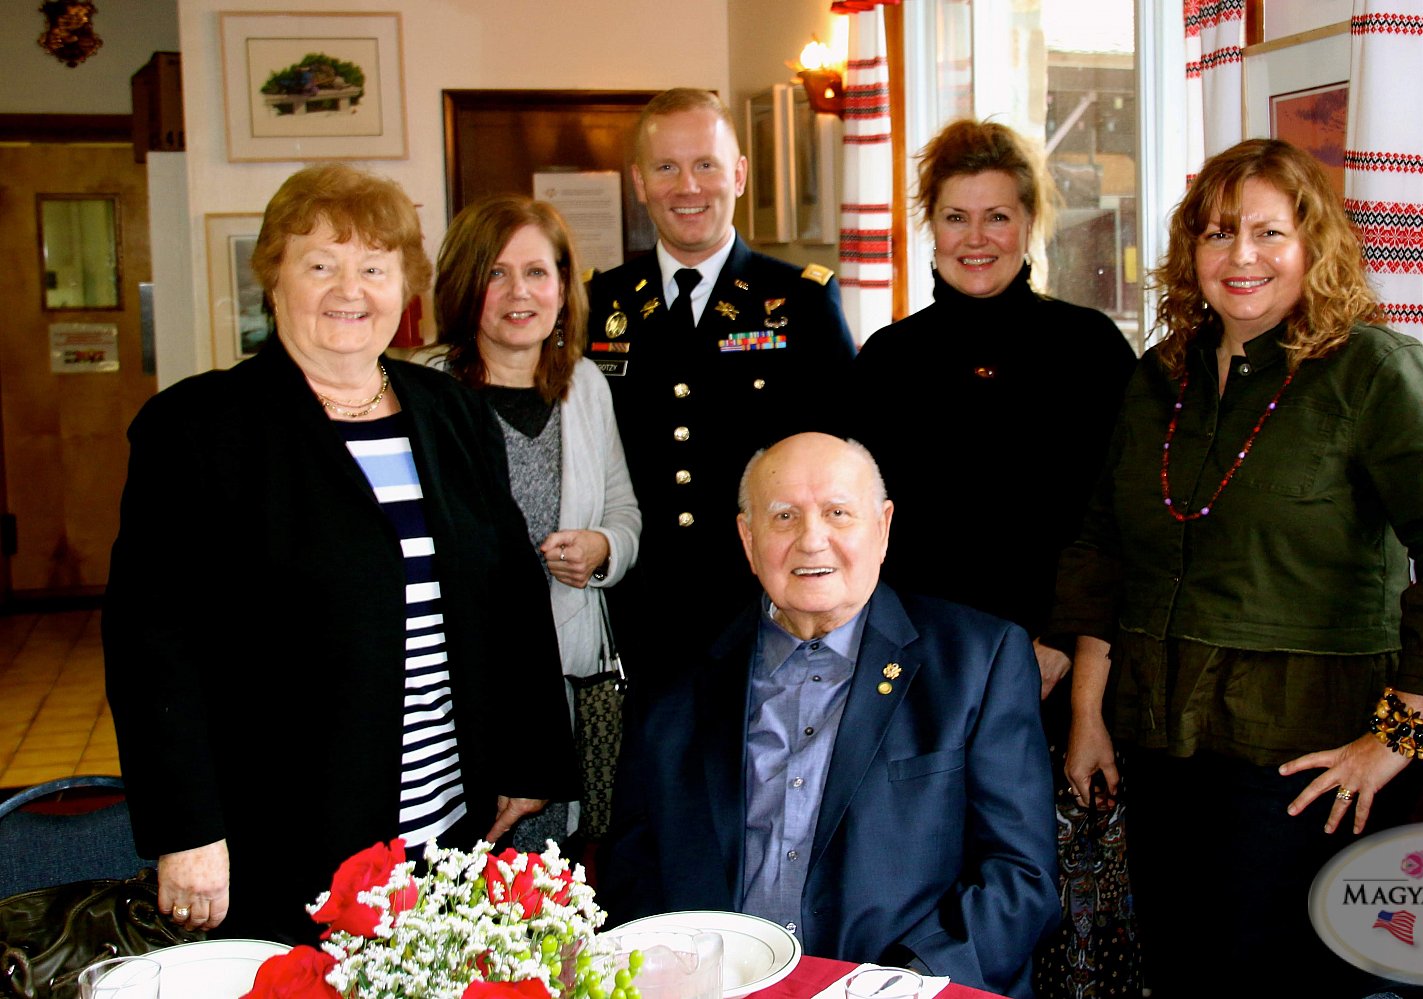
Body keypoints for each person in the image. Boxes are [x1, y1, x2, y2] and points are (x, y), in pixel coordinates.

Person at [1056, 139, 1423, 993]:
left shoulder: (1377, 371)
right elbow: (1106, 548)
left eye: (1268, 233)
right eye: (1218, 234)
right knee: (1180, 967)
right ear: (1191, 253)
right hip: (1161, 747)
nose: (1241, 256)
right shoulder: (1158, 379)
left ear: (1313, 245)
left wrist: (1395, 739)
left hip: (1305, 769)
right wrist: (1087, 713)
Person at [103, 164, 578, 945]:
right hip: (283, 833)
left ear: (406, 287)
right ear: (274, 279)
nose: (347, 289)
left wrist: (526, 759)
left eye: (373, 267)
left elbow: (511, 594)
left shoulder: (452, 412)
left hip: (443, 820)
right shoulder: (199, 428)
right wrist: (187, 829)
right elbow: (152, 645)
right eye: (319, 264)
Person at [606, 433, 1058, 999]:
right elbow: (632, 867)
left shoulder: (977, 661)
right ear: (748, 539)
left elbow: (1019, 876)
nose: (811, 540)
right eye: (784, 517)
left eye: (838, 513)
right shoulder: (676, 675)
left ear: (884, 527)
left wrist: (903, 986)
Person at [852, 118, 1135, 700]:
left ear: (1029, 223)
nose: (976, 239)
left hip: (1059, 667)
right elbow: (862, 523)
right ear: (932, 225)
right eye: (957, 218)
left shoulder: (1090, 348)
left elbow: (1120, 514)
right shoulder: (888, 359)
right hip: (921, 662)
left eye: (997, 217)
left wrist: (1061, 641)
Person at [585, 87, 857, 674]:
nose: (688, 187)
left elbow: (845, 457)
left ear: (737, 175)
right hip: (638, 603)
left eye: (705, 164)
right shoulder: (599, 302)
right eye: (666, 168)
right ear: (639, 182)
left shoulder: (800, 301)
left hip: (763, 604)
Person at [431, 195, 641, 848]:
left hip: (565, 698)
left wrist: (603, 547)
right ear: (466, 285)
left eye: (537, 272)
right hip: (460, 703)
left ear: (562, 285)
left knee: (548, 897)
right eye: (495, 272)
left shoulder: (585, 385)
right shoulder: (423, 392)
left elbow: (623, 511)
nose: (518, 292)